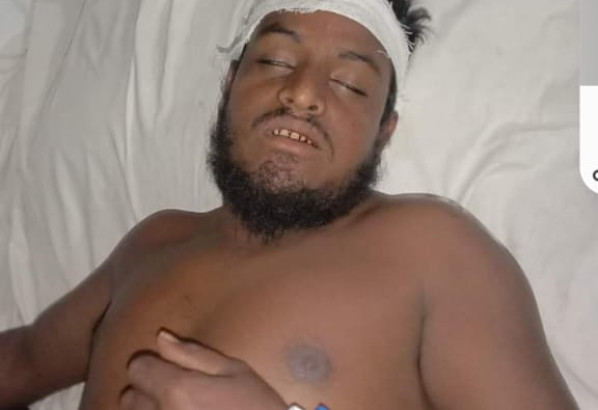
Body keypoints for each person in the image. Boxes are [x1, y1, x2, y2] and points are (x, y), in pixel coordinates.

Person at [0, 0, 580, 409]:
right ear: (229, 84)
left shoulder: (432, 251)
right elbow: (21, 362)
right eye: (276, 61)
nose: (302, 93)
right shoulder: (155, 243)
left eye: (350, 85)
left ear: (384, 132)